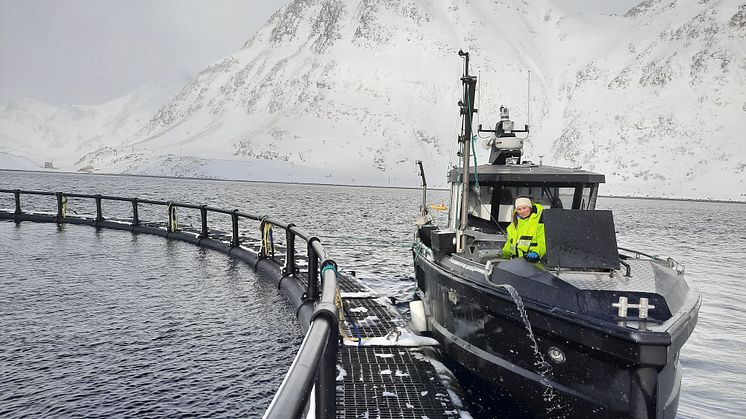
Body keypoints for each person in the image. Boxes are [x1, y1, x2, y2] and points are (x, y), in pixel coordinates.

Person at [502, 197, 546, 262]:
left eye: (524, 208)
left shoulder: (540, 224)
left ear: (530, 208)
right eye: (519, 209)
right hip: (515, 263)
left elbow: (543, 243)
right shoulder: (513, 225)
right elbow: (509, 245)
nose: (522, 211)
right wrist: (502, 255)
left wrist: (537, 252)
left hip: (533, 263)